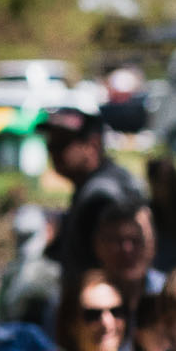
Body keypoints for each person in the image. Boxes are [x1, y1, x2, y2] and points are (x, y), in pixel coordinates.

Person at [45, 108, 145, 282]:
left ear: (93, 145)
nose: (53, 152)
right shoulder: (103, 181)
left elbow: (108, 264)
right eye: (50, 145)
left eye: (62, 144)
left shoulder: (99, 196)